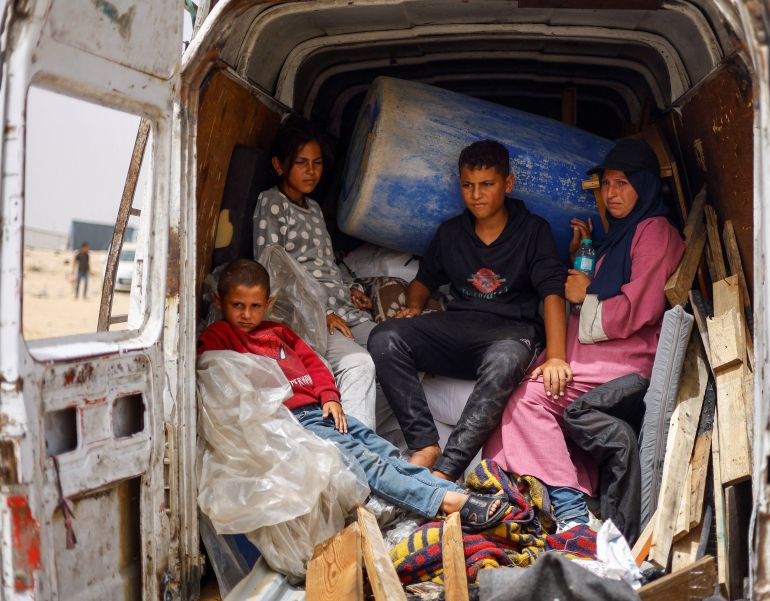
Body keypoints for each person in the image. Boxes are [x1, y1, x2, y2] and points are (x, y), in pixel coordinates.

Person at [197, 259, 510, 528]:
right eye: (237, 306)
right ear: (219, 301)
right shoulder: (218, 337)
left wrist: (330, 396)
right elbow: (221, 378)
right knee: (364, 462)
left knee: (383, 452)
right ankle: (447, 501)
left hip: (322, 411)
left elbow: (314, 364)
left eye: (255, 306)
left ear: (267, 304)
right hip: (292, 421)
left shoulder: (280, 331)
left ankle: (444, 490)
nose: (246, 315)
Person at [483, 138, 685, 528]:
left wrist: (585, 290)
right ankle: (531, 500)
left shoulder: (655, 231)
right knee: (511, 404)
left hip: (626, 357)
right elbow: (603, 286)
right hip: (594, 352)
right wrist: (584, 258)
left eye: (623, 184)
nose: (611, 193)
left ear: (643, 186)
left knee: (530, 401)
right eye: (606, 184)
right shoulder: (622, 234)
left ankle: (570, 509)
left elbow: (636, 309)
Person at [368, 140, 572, 482]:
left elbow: (553, 293)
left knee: (505, 360)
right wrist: (414, 307)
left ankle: (448, 470)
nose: (476, 194)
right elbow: (424, 279)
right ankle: (425, 444)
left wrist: (556, 356)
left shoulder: (533, 231)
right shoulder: (451, 233)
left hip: (510, 333)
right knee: (385, 337)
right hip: (456, 329)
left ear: (507, 184)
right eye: (467, 185)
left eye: (487, 185)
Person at [253, 117, 380, 431]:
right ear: (279, 165)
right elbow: (272, 270)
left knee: (392, 353)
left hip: (341, 308)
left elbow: (325, 263)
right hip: (309, 315)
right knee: (358, 364)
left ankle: (385, 444)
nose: (311, 171)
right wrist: (319, 311)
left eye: (317, 163)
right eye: (301, 163)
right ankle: (359, 454)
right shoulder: (271, 203)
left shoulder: (315, 208)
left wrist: (349, 287)